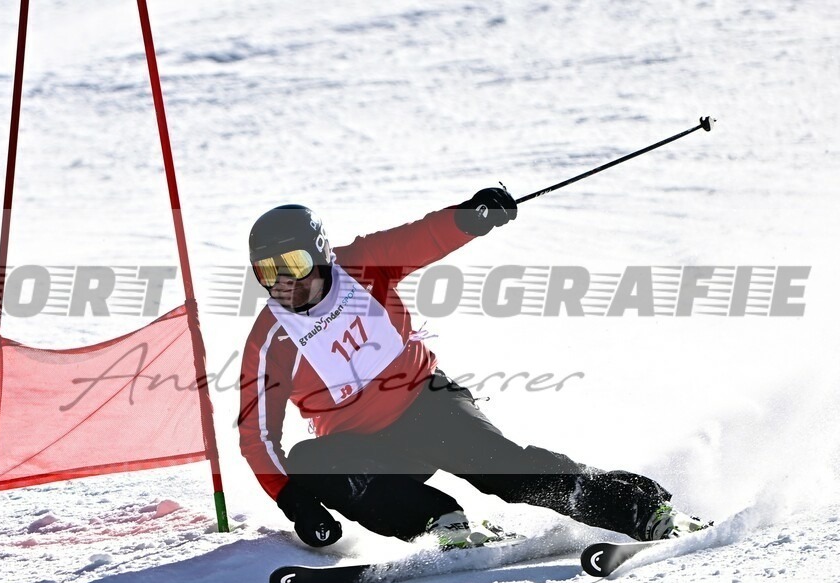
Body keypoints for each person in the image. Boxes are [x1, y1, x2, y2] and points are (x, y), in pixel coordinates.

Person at [236, 187, 707, 549]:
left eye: (293, 263)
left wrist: (473, 217)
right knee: (310, 462)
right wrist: (293, 501)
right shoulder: (269, 342)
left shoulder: (362, 265)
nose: (282, 282)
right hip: (368, 451)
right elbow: (257, 437)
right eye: (266, 271)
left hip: (428, 407)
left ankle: (643, 509)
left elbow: (422, 237)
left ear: (320, 254)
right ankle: (444, 522)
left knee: (507, 473)